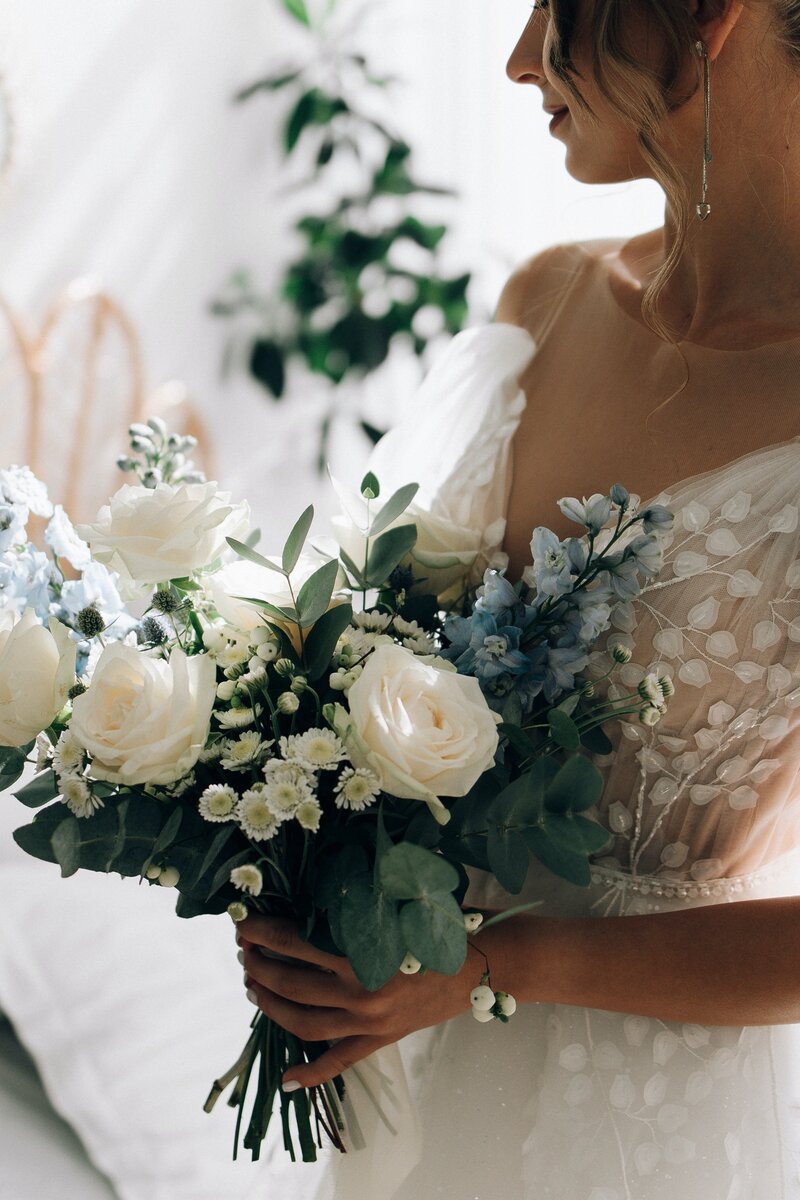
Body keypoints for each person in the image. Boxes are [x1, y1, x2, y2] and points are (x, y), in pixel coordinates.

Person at [237, 2, 800, 1196]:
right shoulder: (543, 304)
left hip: (645, 1108)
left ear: (708, 16)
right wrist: (300, 869)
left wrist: (492, 963)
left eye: (557, 4)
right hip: (404, 1048)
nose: (514, 55)